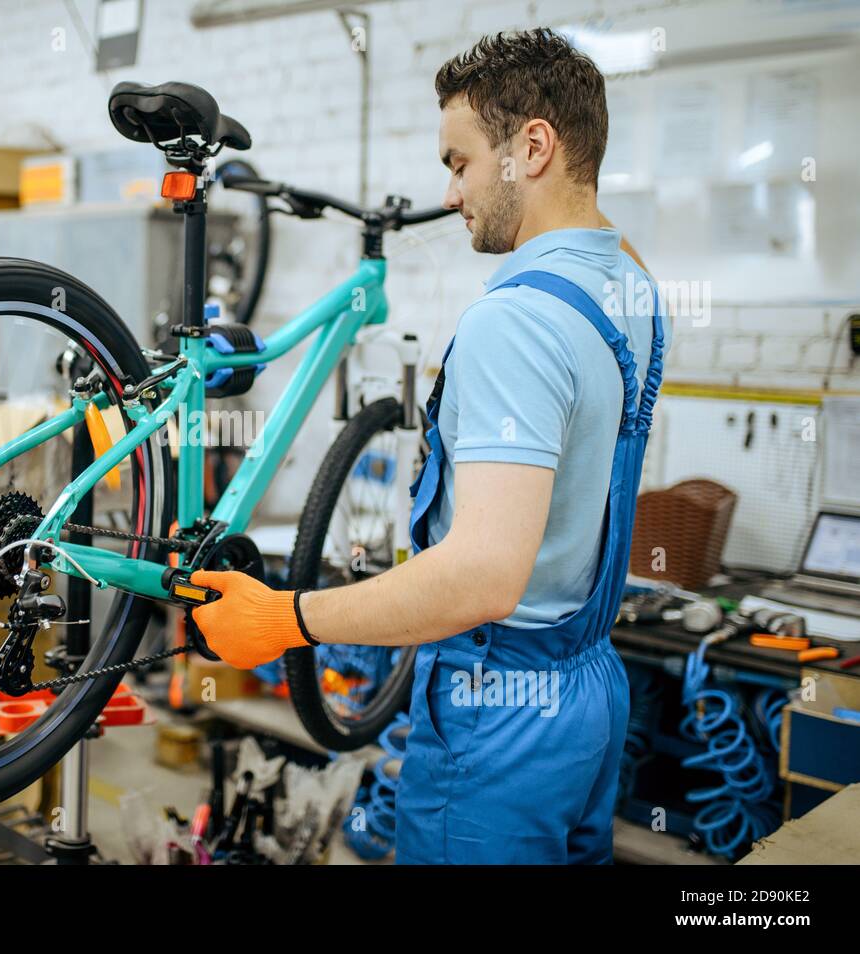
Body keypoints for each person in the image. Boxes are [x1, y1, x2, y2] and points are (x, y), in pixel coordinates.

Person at [189, 27, 671, 864]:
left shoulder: (514, 324)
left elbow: (482, 577)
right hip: (590, 697)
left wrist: (282, 618)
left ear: (533, 148)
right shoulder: (633, 289)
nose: (450, 196)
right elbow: (604, 235)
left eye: (460, 163)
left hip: (496, 716)